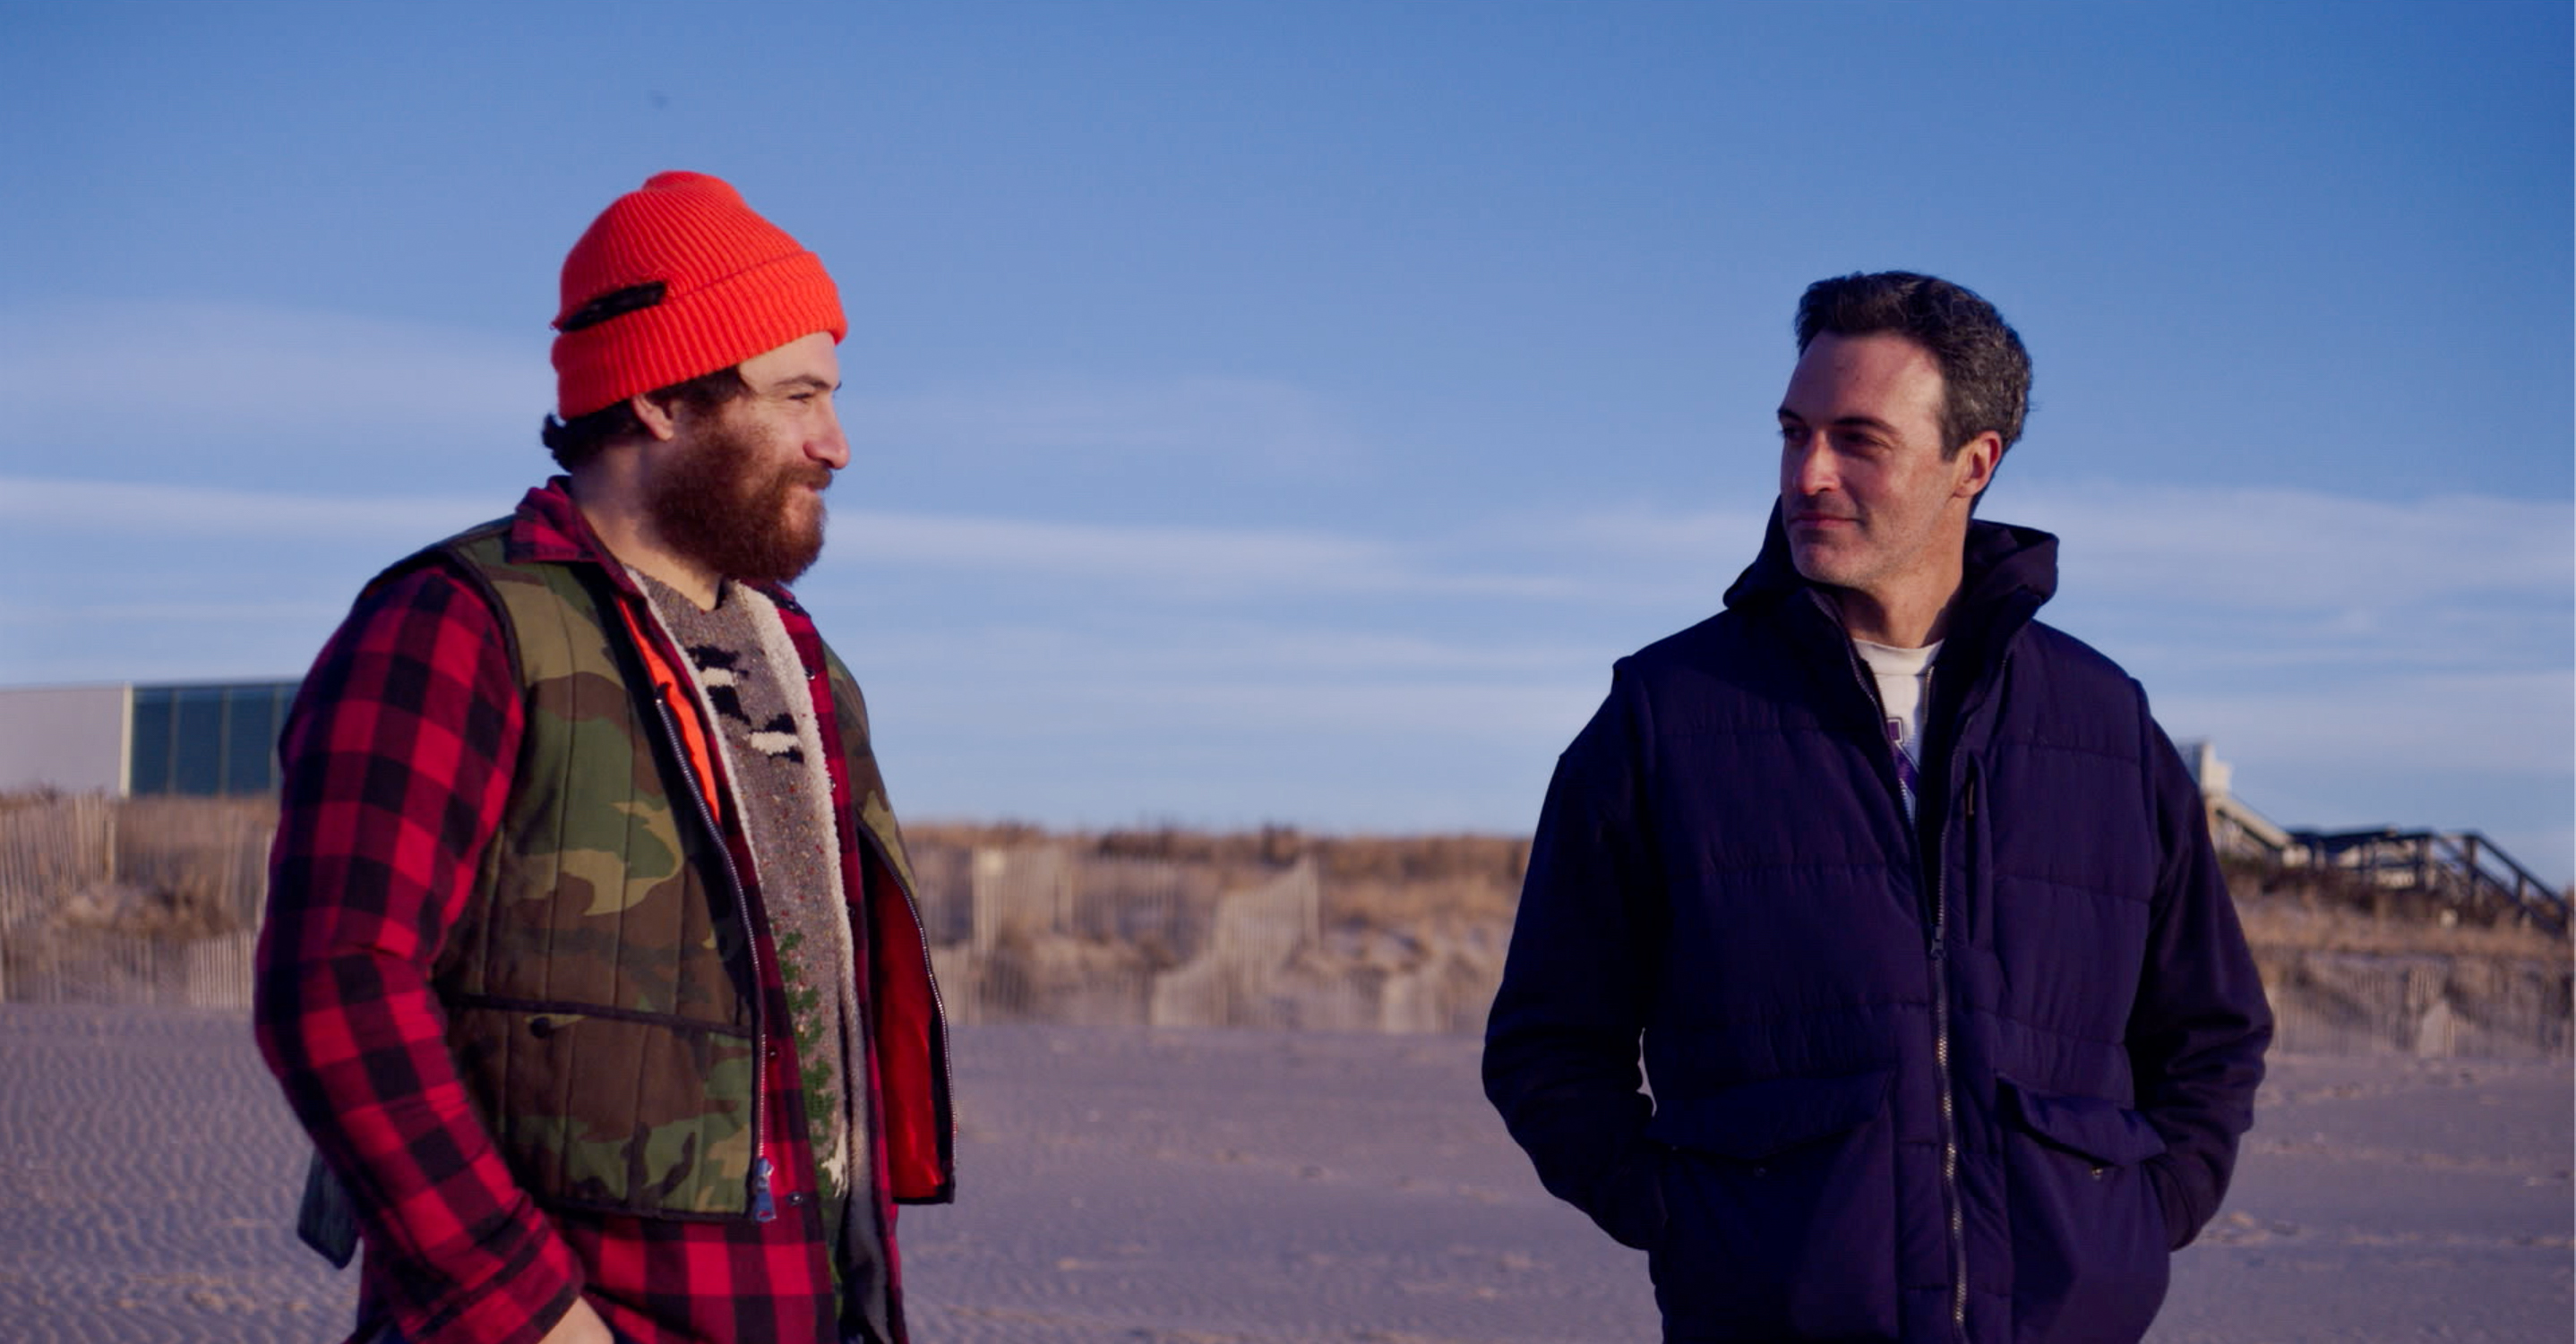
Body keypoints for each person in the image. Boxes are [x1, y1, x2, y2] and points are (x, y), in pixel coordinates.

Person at [1482, 271, 2271, 1343]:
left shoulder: (2101, 723)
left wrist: (2136, 1218)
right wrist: (1692, 1223)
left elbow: (2210, 1027)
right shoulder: (1666, 715)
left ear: (1972, 462)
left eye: (1858, 440)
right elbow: (1547, 1040)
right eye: (1792, 433)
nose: (1806, 473)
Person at [255, 171, 954, 1344]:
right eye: (796, 396)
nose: (835, 443)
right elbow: (336, 986)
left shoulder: (803, 667)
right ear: (663, 398)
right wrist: (525, 1311)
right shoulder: (458, 625)